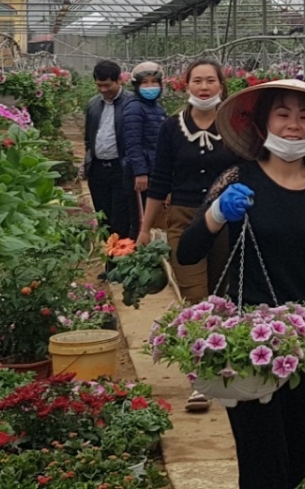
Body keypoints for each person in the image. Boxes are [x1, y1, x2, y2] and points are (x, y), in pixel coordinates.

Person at [177, 79, 305, 489]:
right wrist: (218, 210)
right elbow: (188, 251)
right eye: (283, 114)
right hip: (249, 343)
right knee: (262, 466)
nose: (293, 125)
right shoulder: (239, 178)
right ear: (264, 122)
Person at [137, 58, 236, 412]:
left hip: (229, 218)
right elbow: (159, 179)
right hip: (182, 217)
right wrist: (146, 228)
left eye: (211, 80)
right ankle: (201, 378)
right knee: (195, 295)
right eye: (198, 81)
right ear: (187, 85)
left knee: (222, 294)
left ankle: (225, 360)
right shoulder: (171, 128)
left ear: (222, 85)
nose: (205, 87)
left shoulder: (236, 124)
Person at [83, 60, 132, 245]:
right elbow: (88, 137)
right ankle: (110, 264)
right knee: (103, 218)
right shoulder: (93, 105)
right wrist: (89, 158)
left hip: (121, 169)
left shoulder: (131, 103)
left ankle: (121, 265)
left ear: (119, 80)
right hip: (97, 170)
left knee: (121, 218)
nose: (103, 89)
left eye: (107, 85)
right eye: (99, 85)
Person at [122, 61, 166, 236]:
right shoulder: (134, 108)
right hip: (140, 175)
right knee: (141, 222)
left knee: (153, 219)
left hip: (153, 171)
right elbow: (133, 143)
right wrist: (140, 173)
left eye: (154, 82)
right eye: (145, 83)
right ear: (136, 86)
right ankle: (136, 258)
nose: (150, 86)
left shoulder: (158, 109)